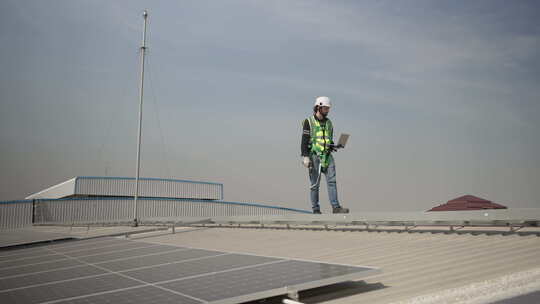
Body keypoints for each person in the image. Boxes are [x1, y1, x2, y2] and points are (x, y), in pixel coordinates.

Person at [301, 96, 349, 214]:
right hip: (314, 156)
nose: (327, 111)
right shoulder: (309, 122)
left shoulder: (329, 123)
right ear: (318, 107)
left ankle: (336, 207)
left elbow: (328, 139)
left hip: (327, 156)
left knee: (332, 181)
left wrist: (333, 145)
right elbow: (304, 140)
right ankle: (316, 209)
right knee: (315, 184)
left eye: (328, 109)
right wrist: (305, 156)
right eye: (325, 108)